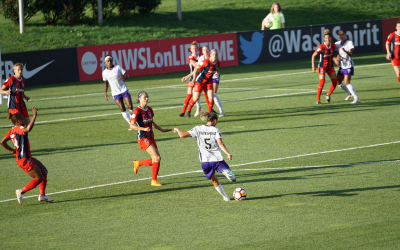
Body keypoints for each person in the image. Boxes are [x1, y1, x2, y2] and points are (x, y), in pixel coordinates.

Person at [174, 110, 236, 201]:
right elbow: (220, 143)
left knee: (214, 180)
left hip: (205, 161)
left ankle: (225, 197)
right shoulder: (215, 130)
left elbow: (182, 135)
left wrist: (178, 130)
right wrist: (228, 153)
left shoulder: (198, 128)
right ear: (214, 121)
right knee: (233, 179)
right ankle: (225, 172)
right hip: (217, 159)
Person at [0, 106, 53, 205]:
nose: (24, 119)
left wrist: (12, 150)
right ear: (17, 121)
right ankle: (21, 191)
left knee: (44, 171)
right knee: (39, 178)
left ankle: (42, 195)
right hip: (24, 159)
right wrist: (34, 116)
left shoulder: (11, 131)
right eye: (22, 118)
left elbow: (2, 142)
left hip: (25, 157)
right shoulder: (19, 128)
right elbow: (28, 129)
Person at [131, 91, 172, 186]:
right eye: (144, 97)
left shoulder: (149, 109)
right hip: (142, 137)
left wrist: (161, 130)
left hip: (151, 136)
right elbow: (132, 125)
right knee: (157, 157)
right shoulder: (137, 111)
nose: (147, 99)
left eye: (147, 97)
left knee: (156, 159)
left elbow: (151, 122)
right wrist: (143, 128)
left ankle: (138, 163)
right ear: (139, 99)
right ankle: (153, 181)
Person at [182, 49, 220, 117]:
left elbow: (216, 69)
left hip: (208, 82)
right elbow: (196, 68)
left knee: (211, 98)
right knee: (196, 98)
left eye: (216, 54)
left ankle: (209, 114)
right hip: (200, 82)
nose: (215, 56)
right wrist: (193, 79)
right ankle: (189, 109)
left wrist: (216, 72)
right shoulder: (206, 62)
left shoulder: (218, 63)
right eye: (213, 54)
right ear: (210, 55)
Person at [102, 55, 133, 128]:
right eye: (107, 61)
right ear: (105, 62)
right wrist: (105, 93)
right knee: (122, 109)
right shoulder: (104, 72)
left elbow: (127, 75)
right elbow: (106, 83)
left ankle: (135, 121)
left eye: (110, 60)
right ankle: (131, 124)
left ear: (112, 61)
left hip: (123, 89)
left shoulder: (118, 67)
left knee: (130, 106)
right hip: (115, 93)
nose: (109, 62)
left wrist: (124, 77)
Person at [311, 29, 339, 104]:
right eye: (326, 38)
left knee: (334, 82)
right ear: (324, 39)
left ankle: (328, 95)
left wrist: (336, 59)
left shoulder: (333, 45)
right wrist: (313, 66)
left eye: (329, 38)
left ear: (331, 38)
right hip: (322, 66)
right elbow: (313, 55)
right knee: (322, 82)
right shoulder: (321, 47)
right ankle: (318, 100)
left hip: (330, 66)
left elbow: (335, 53)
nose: (327, 39)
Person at [179, 41, 205, 118]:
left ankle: (202, 108)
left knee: (202, 94)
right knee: (189, 95)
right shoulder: (190, 57)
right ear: (190, 49)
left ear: (198, 49)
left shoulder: (201, 57)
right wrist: (187, 77)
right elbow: (196, 68)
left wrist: (186, 76)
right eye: (193, 48)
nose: (194, 49)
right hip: (192, 78)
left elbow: (198, 68)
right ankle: (183, 112)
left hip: (200, 78)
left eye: (196, 48)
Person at [335, 30, 360, 104]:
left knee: (347, 82)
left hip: (349, 65)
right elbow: (335, 52)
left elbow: (350, 54)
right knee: (338, 82)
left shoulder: (349, 43)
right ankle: (349, 93)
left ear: (345, 35)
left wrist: (345, 51)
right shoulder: (337, 43)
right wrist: (336, 58)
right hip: (342, 66)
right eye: (340, 35)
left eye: (343, 35)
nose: (341, 36)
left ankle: (356, 98)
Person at [198, 46, 225, 117]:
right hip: (206, 78)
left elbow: (217, 67)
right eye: (204, 50)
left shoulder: (216, 60)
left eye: (207, 50)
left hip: (214, 76)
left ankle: (221, 111)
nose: (206, 51)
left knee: (214, 94)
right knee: (206, 95)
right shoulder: (201, 58)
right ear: (202, 51)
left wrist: (216, 72)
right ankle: (208, 110)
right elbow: (198, 68)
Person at [386, 19, 400, 85]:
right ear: (396, 27)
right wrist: (388, 53)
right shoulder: (392, 35)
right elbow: (387, 43)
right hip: (394, 57)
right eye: (398, 26)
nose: (399, 28)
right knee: (398, 73)